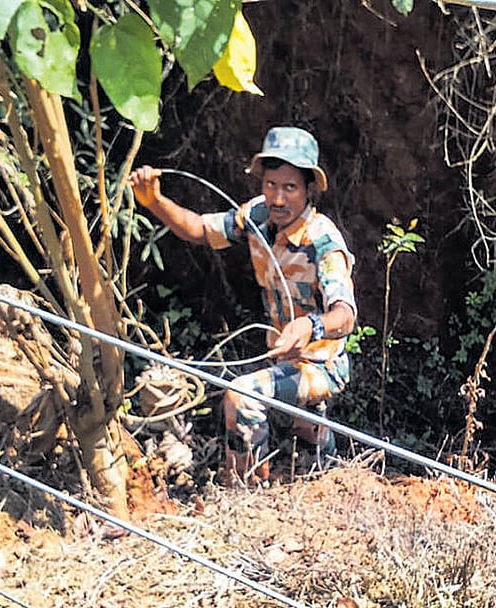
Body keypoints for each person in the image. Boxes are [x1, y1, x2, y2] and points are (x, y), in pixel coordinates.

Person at [129, 126, 357, 484]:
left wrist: (310, 327)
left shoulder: (324, 242)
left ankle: (242, 494)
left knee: (242, 396)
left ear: (310, 190)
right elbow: (198, 229)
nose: (278, 198)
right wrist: (154, 202)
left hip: (322, 365)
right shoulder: (258, 217)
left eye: (290, 187)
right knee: (313, 462)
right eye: (271, 185)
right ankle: (320, 458)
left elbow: (345, 316)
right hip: (283, 359)